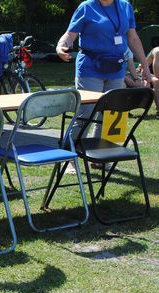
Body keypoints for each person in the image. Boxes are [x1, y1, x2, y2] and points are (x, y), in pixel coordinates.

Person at [55, 0, 157, 172]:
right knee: (86, 113)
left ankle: (98, 156)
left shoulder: (125, 6)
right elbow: (70, 35)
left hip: (116, 70)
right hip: (90, 68)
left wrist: (147, 71)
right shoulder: (86, 7)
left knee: (109, 114)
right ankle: (68, 158)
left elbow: (132, 38)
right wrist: (60, 46)